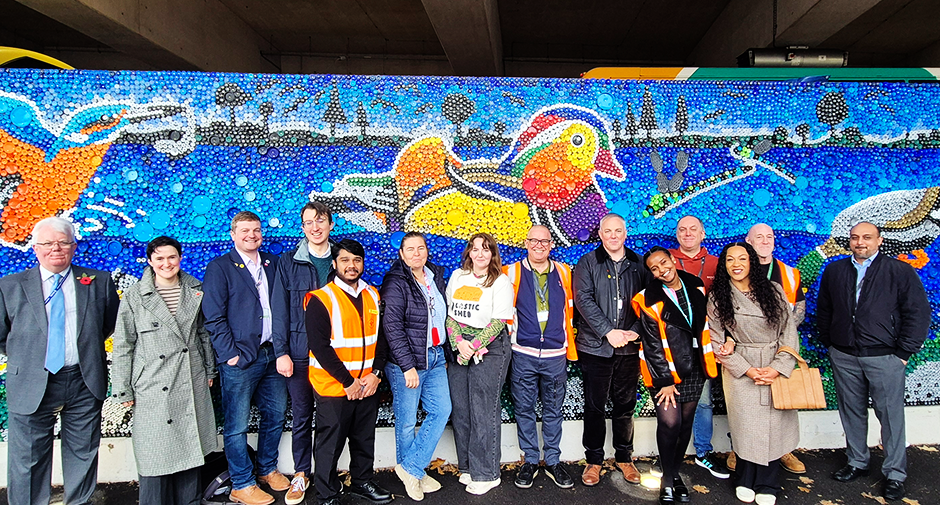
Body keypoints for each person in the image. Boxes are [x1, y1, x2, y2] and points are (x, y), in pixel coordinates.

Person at [0, 216, 119, 505]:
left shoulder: (98, 281)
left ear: (74, 246)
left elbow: (107, 324)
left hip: (82, 380)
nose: (57, 248)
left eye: (64, 242)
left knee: (83, 453)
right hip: (31, 381)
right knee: (28, 460)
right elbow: (3, 335)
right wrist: (28, 355)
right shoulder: (10, 286)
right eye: (48, 243)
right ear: (36, 248)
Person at [816, 222, 931, 502]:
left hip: (885, 356)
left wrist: (903, 353)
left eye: (867, 237)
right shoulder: (835, 271)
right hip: (844, 355)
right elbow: (824, 309)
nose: (860, 242)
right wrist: (832, 343)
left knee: (890, 417)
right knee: (852, 412)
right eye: (855, 238)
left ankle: (894, 474)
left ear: (879, 240)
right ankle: (857, 461)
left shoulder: (899, 271)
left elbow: (918, 311)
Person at [111, 236, 218, 505]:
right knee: (155, 455)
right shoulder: (136, 295)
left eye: (171, 257)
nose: (166, 263)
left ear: (180, 258)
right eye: (159, 258)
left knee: (191, 447)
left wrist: (209, 371)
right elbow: (124, 342)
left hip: (190, 376)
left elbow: (203, 334)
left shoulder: (195, 288)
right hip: (152, 382)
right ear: (150, 261)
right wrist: (122, 388)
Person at [203, 211, 288, 505]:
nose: (251, 235)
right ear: (233, 234)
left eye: (255, 230)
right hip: (241, 359)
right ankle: (241, 482)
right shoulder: (220, 267)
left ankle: (266, 469)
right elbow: (213, 317)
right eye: (245, 231)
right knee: (237, 425)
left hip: (272, 354)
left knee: (275, 415)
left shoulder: (272, 263)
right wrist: (230, 356)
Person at [707, 242, 799, 505]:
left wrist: (779, 366)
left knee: (774, 425)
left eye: (742, 259)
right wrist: (745, 369)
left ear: (752, 262)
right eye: (730, 260)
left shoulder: (773, 290)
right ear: (724, 265)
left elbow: (789, 331)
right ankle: (745, 480)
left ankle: (768, 483)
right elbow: (715, 339)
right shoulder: (718, 296)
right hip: (741, 367)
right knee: (745, 426)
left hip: (773, 362)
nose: (736, 264)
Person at [305, 239, 392, 505]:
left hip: (367, 383)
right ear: (334, 264)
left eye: (356, 260)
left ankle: (362, 481)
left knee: (364, 438)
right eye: (344, 260)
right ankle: (326, 493)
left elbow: (382, 339)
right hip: (334, 385)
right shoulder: (321, 298)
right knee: (329, 442)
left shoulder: (373, 295)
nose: (351, 266)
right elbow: (320, 347)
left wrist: (376, 373)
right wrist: (347, 381)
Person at [634, 246, 719, 505]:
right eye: (654, 269)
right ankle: (667, 481)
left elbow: (705, 322)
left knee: (684, 423)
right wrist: (665, 381)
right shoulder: (647, 298)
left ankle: (673, 474)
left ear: (672, 259)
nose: (661, 270)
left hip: (695, 365)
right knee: (669, 423)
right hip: (665, 370)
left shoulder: (695, 284)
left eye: (663, 262)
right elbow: (652, 345)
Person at [574, 213, 652, 487]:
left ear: (625, 232)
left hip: (629, 349)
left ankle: (624, 457)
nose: (613, 235)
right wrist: (608, 332)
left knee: (625, 405)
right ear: (601, 233)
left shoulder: (639, 264)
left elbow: (651, 302)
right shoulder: (588, 262)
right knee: (594, 406)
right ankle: (593, 460)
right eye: (608, 231)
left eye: (618, 230)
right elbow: (583, 300)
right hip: (596, 348)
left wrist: (635, 331)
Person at [271, 201, 335, 505]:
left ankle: (326, 474)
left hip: (334, 356)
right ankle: (301, 473)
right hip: (297, 354)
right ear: (302, 227)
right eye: (308, 222)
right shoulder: (288, 262)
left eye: (320, 221)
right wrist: (280, 351)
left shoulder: (341, 259)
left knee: (330, 417)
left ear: (330, 225)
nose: (315, 227)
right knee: (301, 415)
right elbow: (279, 312)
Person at [381, 232, 452, 501]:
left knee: (442, 409)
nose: (416, 253)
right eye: (409, 249)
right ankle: (413, 476)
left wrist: (443, 353)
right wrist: (407, 366)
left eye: (420, 248)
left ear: (426, 251)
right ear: (401, 254)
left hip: (435, 357)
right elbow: (392, 327)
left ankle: (411, 469)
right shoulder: (395, 282)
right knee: (407, 420)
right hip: (407, 361)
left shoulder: (435, 276)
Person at [504, 225, 577, 490]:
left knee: (553, 410)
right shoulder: (510, 272)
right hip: (522, 353)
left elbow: (571, 310)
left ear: (551, 244)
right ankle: (531, 460)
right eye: (534, 240)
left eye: (545, 241)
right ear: (526, 243)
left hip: (556, 355)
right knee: (523, 409)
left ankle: (554, 460)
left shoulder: (564, 272)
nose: (539, 245)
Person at [446, 232, 514, 495]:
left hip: (491, 348)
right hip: (461, 345)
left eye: (486, 249)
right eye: (475, 249)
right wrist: (459, 344)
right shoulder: (457, 277)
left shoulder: (501, 281)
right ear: (469, 253)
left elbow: (499, 322)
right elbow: (450, 315)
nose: (480, 254)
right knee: (462, 409)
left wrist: (473, 346)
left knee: (483, 411)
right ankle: (468, 467)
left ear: (493, 253)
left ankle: (487, 473)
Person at [737, 222, 807, 475]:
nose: (765, 241)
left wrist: (779, 337)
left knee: (780, 403)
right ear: (749, 241)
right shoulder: (739, 271)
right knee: (744, 404)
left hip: (779, 349)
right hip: (746, 349)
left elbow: (798, 308)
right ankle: (741, 450)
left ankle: (782, 451)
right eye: (759, 237)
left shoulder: (789, 273)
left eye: (769, 237)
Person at [667, 215, 727, 480]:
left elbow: (726, 306)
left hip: (703, 346)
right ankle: (668, 455)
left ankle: (703, 452)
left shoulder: (716, 264)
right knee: (668, 402)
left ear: (703, 233)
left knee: (701, 402)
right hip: (669, 347)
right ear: (676, 234)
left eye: (693, 229)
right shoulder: (665, 262)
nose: (687, 233)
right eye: (682, 229)